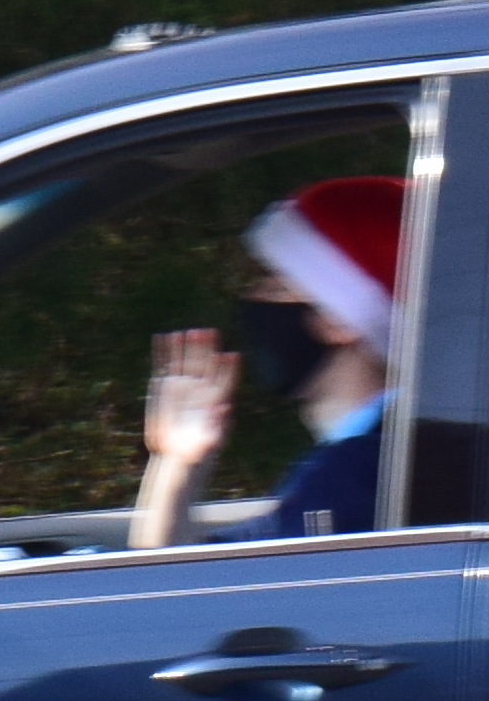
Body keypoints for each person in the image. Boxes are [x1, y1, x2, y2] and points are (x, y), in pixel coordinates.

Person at [132, 177, 403, 548]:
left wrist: (176, 465)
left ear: (338, 321)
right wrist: (181, 458)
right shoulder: (376, 457)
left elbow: (171, 591)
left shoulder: (353, 474)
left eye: (275, 286)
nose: (254, 301)